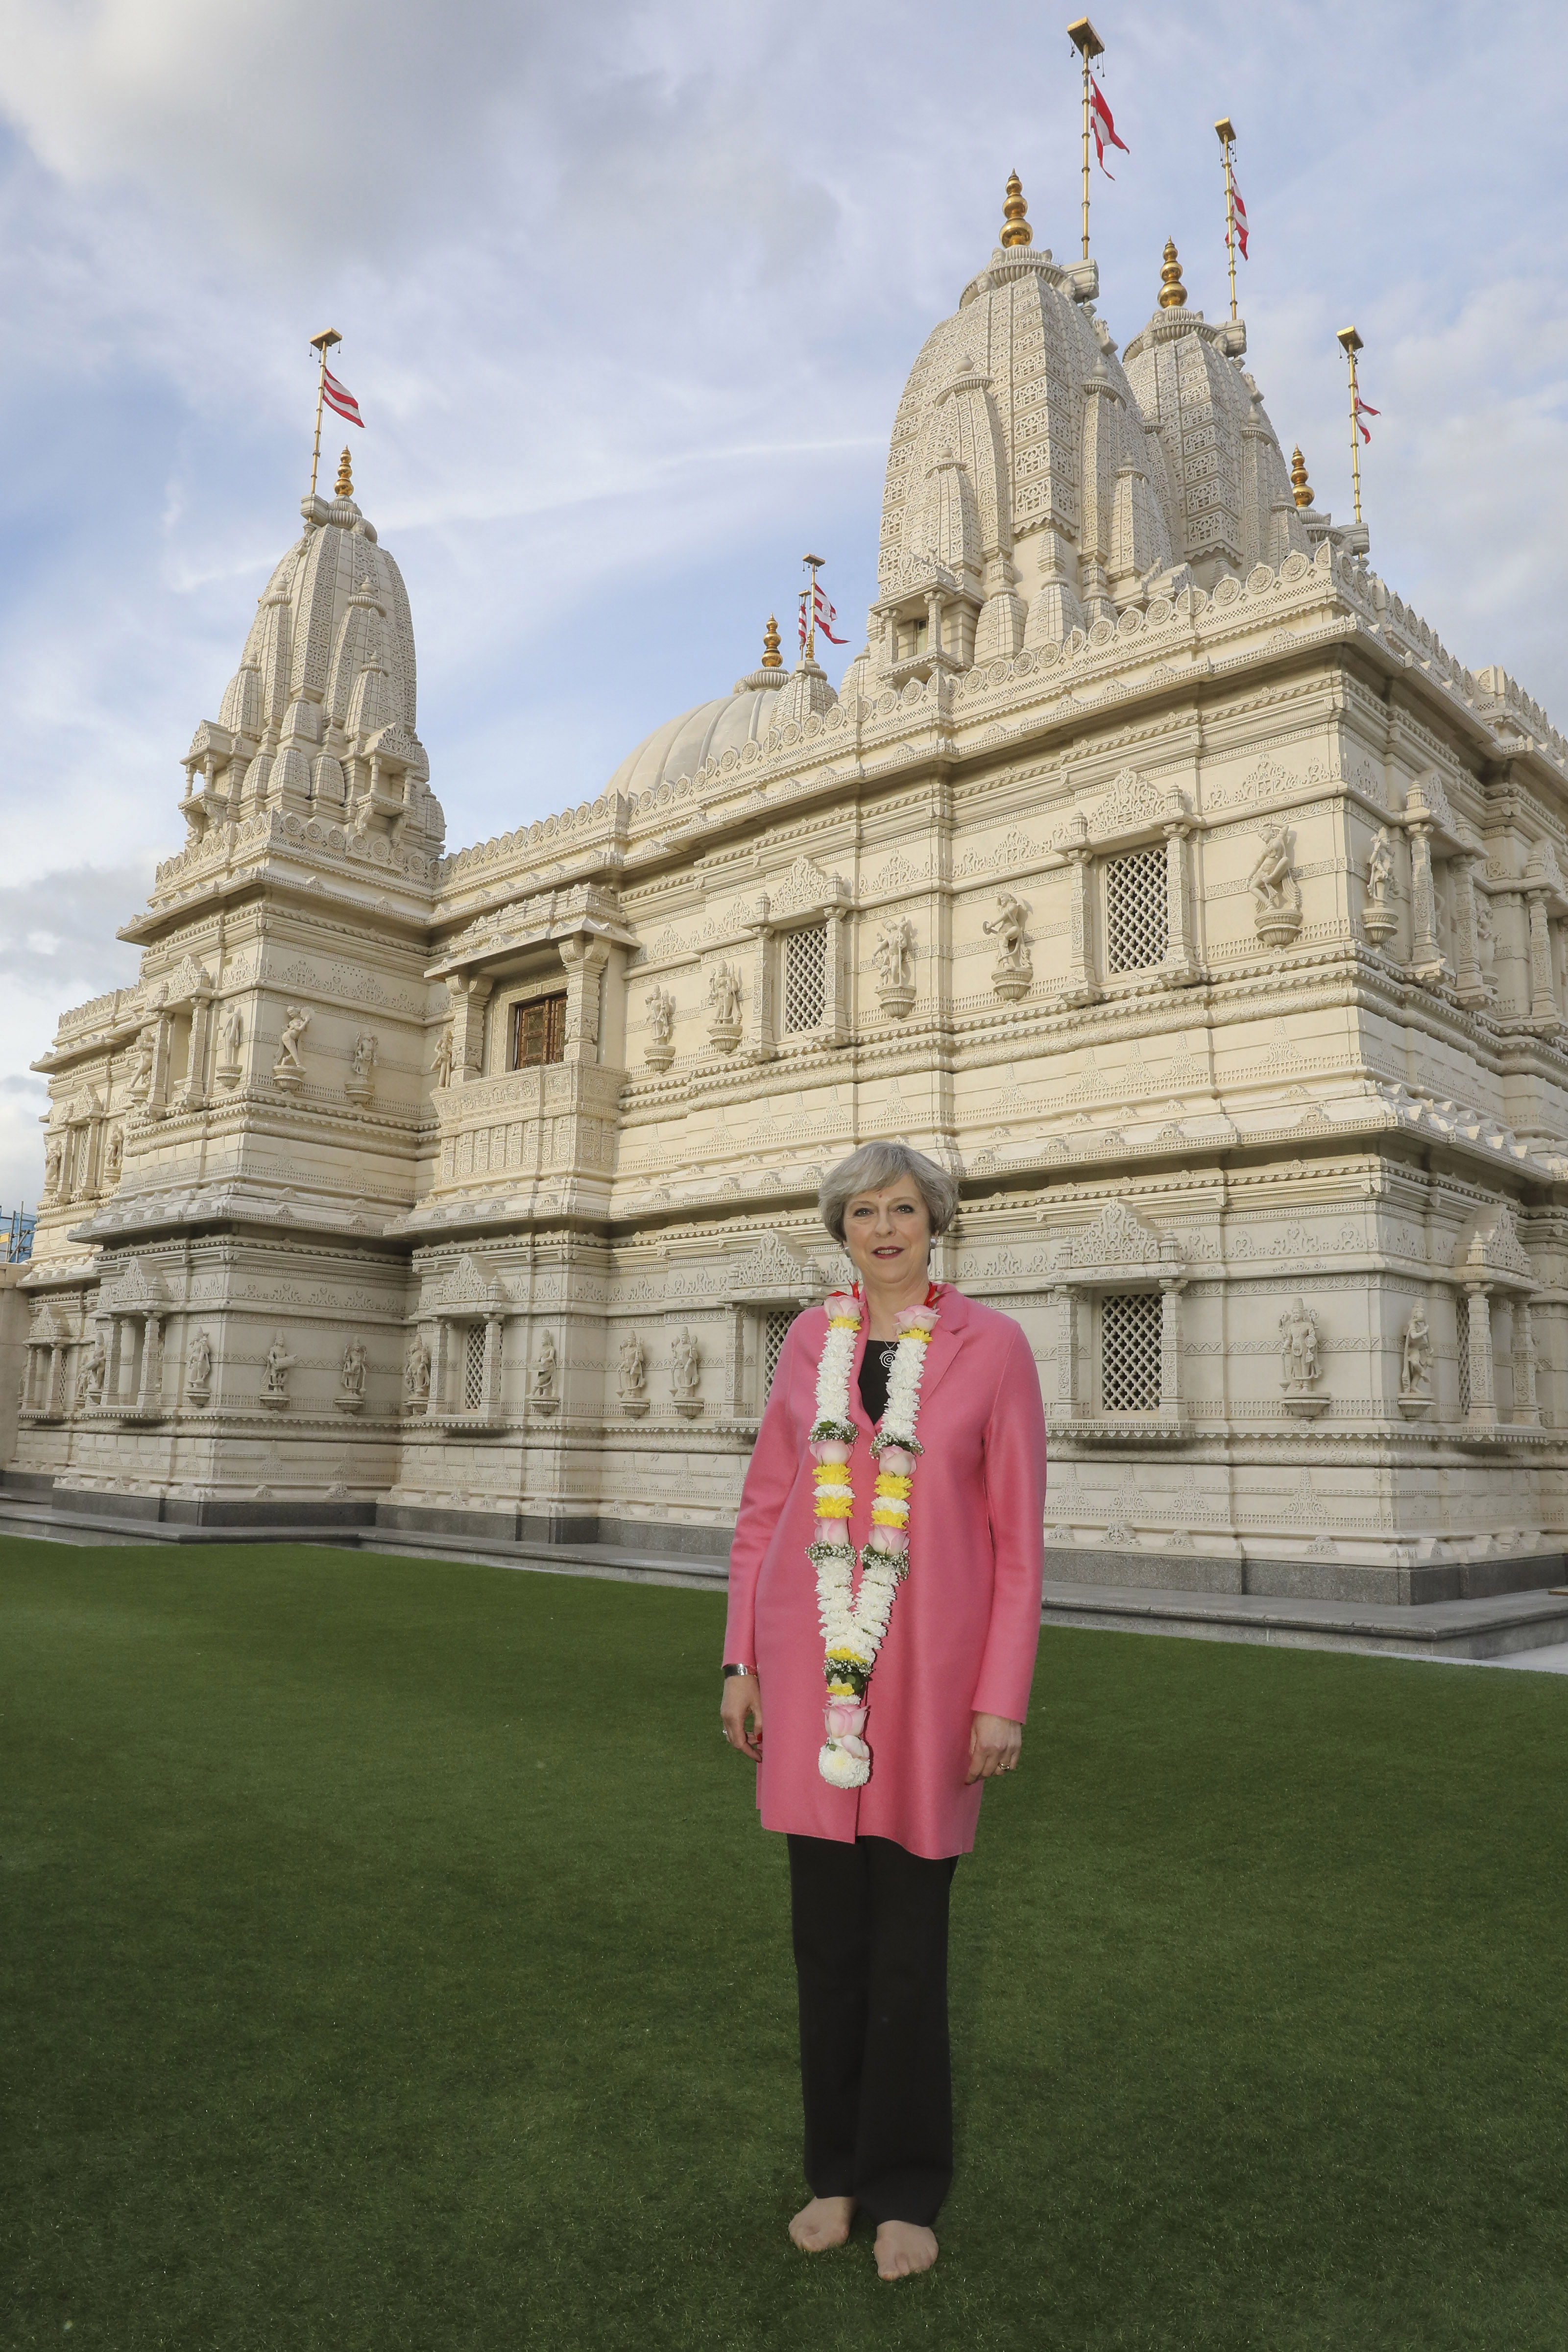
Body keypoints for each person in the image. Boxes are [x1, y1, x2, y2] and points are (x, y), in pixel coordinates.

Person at [721, 1139, 1047, 2281]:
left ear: (933, 1221)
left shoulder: (990, 1347)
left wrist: (1000, 1699)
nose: (883, 1229)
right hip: (807, 1672)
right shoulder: (810, 1342)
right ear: (841, 1231)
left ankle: (906, 2187)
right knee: (827, 1949)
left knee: (908, 1951)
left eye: (902, 1208)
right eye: (862, 1212)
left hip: (930, 1690)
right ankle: (835, 2174)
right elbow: (764, 1510)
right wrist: (738, 1661)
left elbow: (1017, 1542)